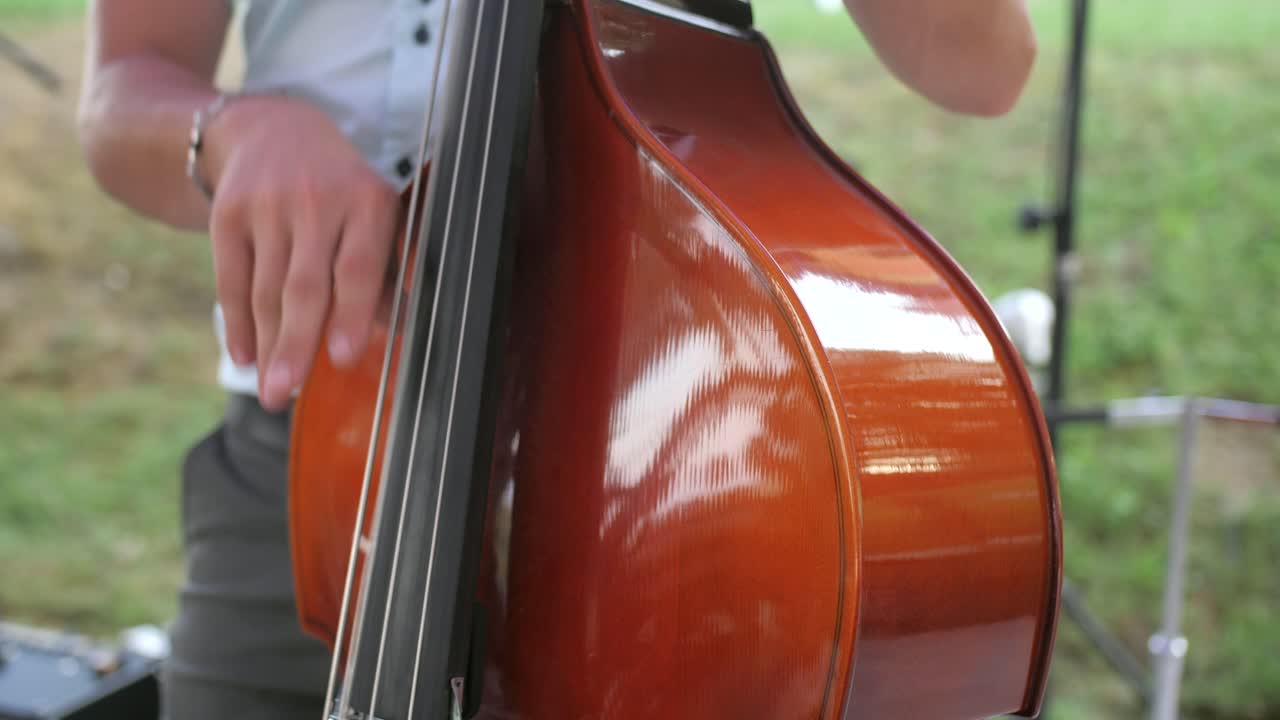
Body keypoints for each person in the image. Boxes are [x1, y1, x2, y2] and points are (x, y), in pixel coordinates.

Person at [76, 1, 1036, 717]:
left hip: (672, 497)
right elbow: (124, 89)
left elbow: (986, 67)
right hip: (315, 471)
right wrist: (228, 132)